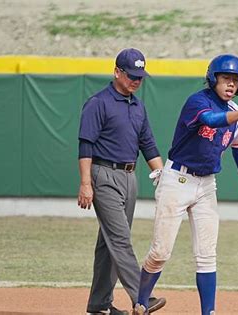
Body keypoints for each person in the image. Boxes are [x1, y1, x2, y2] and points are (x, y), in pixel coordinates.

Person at [133, 54, 238, 315]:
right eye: (226, 78)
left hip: (207, 185)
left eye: (236, 80)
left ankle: (209, 312)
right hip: (176, 180)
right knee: (160, 252)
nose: (232, 84)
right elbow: (210, 120)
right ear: (212, 78)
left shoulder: (234, 111)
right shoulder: (198, 101)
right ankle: (141, 302)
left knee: (207, 255)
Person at [77, 48, 166, 315]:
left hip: (130, 176)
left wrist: (163, 176)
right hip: (103, 175)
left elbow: (147, 144)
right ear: (117, 72)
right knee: (120, 239)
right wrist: (85, 184)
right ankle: (142, 297)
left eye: (140, 76)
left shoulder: (138, 105)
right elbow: (85, 145)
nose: (136, 81)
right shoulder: (98, 102)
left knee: (109, 243)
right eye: (131, 75)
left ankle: (99, 306)